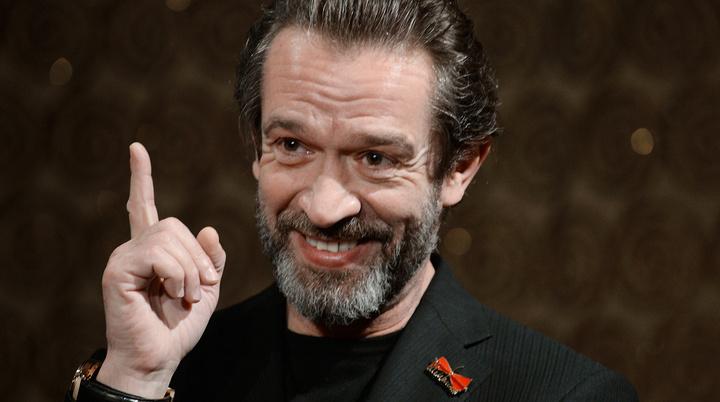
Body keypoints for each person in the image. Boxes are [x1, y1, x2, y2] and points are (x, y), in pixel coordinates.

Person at [67, 0, 639, 401]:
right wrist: (135, 380)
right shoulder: (171, 372)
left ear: (458, 168)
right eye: (293, 146)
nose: (324, 207)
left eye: (375, 158)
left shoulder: (566, 395)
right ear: (257, 150)